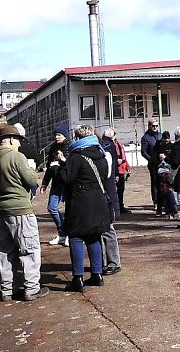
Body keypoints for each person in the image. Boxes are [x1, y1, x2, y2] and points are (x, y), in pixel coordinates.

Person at [0, 125, 49, 302]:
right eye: (19, 141)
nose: (20, 145)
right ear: (13, 139)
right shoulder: (16, 156)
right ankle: (31, 288)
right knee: (29, 249)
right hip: (20, 209)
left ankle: (7, 290)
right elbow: (31, 180)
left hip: (1, 209)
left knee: (6, 251)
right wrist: (31, 169)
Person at [57, 124, 111, 293]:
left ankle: (78, 278)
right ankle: (97, 274)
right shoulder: (101, 154)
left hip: (81, 202)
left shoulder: (76, 155)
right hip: (99, 200)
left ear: (78, 138)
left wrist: (58, 167)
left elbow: (67, 178)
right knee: (94, 237)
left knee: (76, 237)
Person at [40, 124, 70, 246]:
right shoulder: (53, 147)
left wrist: (62, 162)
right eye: (55, 135)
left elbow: (71, 166)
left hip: (67, 183)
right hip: (56, 183)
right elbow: (49, 167)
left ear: (65, 136)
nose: (57, 137)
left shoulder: (69, 147)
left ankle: (69, 234)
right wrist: (44, 183)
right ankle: (62, 233)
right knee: (52, 207)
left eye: (59, 135)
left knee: (70, 210)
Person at [99, 129, 122, 276]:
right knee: (101, 231)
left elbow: (107, 177)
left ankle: (113, 262)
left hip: (105, 197)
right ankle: (102, 262)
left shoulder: (106, 152)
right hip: (104, 196)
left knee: (107, 229)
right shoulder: (108, 149)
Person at [140, 119, 163, 211]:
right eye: (153, 126)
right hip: (153, 164)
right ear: (149, 126)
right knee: (155, 182)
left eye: (156, 126)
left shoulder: (160, 135)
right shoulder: (145, 137)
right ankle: (156, 202)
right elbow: (143, 152)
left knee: (163, 182)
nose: (155, 128)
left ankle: (163, 201)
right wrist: (152, 160)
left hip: (162, 162)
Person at [151, 131, 173, 215]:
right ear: (162, 139)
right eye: (165, 140)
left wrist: (166, 159)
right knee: (160, 191)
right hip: (158, 171)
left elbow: (173, 158)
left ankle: (169, 210)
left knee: (169, 191)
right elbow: (153, 157)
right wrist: (158, 163)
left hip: (168, 171)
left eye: (168, 141)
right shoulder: (157, 146)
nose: (166, 142)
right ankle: (159, 209)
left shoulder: (171, 146)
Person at [113, 133, 131, 214]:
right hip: (114, 171)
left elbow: (124, 157)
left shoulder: (119, 144)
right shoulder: (108, 145)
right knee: (114, 191)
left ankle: (120, 206)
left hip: (121, 170)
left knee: (121, 190)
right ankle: (115, 207)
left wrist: (127, 167)